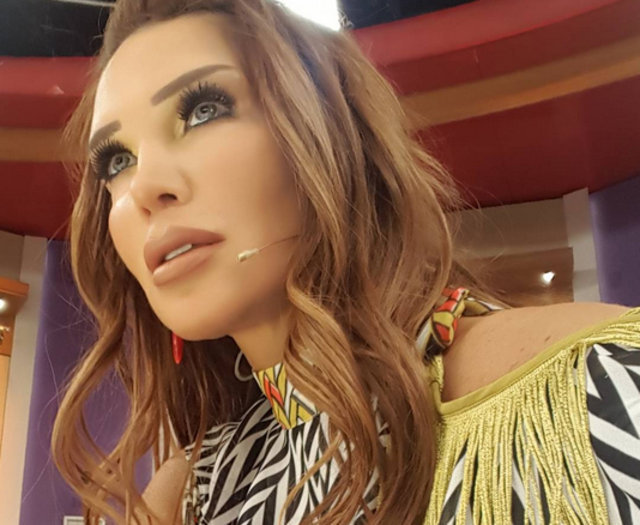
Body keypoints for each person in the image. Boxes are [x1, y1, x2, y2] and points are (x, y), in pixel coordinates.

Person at [51, 0, 640, 524]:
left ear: (327, 134)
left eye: (203, 109)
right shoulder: (192, 492)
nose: (143, 187)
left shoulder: (595, 392)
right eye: (115, 161)